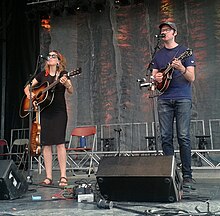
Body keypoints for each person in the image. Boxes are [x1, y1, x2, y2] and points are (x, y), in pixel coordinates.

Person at [151, 22, 196, 185]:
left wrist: (181, 68)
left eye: (167, 30)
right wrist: (156, 79)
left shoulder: (185, 52)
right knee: (165, 137)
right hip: (164, 99)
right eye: (162, 30)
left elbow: (191, 78)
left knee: (183, 136)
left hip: (183, 97)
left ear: (174, 33)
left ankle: (187, 175)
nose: (164, 32)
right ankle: (171, 174)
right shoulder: (158, 55)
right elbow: (154, 78)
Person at [24, 50, 73, 187]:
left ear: (58, 61)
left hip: (59, 112)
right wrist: (32, 97)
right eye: (49, 56)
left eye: (53, 56)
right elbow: (27, 88)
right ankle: (48, 177)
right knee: (46, 144)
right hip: (45, 112)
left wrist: (67, 84)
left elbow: (71, 90)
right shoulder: (42, 75)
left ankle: (63, 176)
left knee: (59, 143)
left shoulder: (62, 74)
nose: (50, 58)